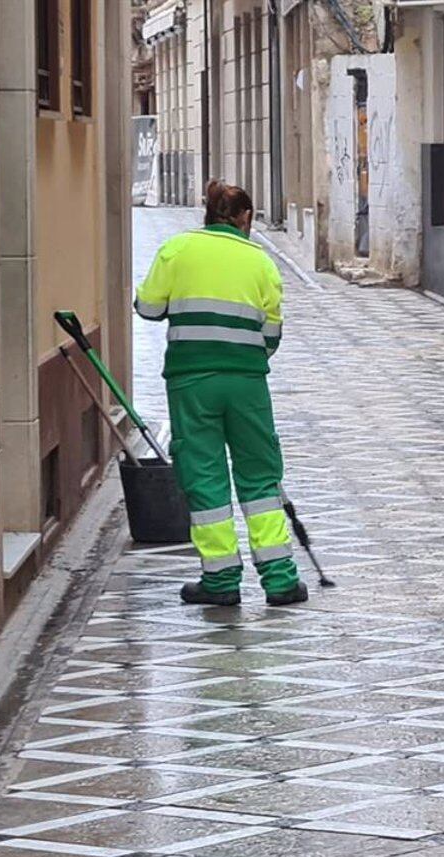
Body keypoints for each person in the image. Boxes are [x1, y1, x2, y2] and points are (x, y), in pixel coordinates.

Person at [135, 181, 306, 607]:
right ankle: (280, 579)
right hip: (246, 383)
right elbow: (271, 335)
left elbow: (148, 308)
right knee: (259, 474)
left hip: (191, 382)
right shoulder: (260, 261)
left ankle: (221, 579)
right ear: (245, 218)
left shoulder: (177, 251)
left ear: (207, 214)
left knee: (204, 474)